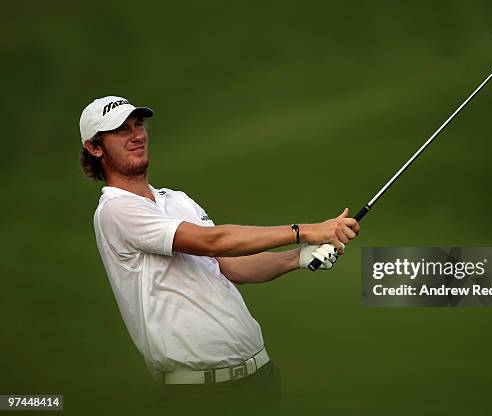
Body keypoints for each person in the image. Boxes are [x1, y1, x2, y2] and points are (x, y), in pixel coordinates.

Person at [79, 95, 360, 412]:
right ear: (95, 147)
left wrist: (297, 257)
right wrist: (303, 230)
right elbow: (213, 242)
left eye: (138, 124)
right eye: (121, 130)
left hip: (260, 381)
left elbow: (230, 265)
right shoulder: (116, 210)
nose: (136, 135)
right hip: (202, 397)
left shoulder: (176, 200)